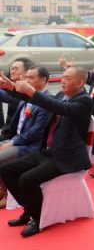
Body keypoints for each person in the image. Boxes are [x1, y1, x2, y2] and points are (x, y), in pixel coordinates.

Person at [0, 66, 92, 237]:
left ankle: (38, 218)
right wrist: (11, 88)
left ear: (80, 83)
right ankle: (29, 210)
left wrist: (33, 92)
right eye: (62, 77)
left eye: (68, 78)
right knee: (6, 170)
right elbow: (36, 102)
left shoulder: (84, 101)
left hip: (66, 157)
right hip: (49, 152)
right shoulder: (61, 96)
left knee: (27, 179)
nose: (63, 80)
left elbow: (58, 107)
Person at [0, 66, 52, 209]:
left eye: (30, 77)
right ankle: (3, 191)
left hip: (29, 146)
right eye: (26, 77)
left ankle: (7, 195)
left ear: (43, 80)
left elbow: (36, 132)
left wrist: (12, 143)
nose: (26, 80)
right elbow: (8, 96)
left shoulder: (46, 100)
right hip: (17, 139)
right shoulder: (26, 95)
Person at [0, 58, 33, 140]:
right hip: (7, 132)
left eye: (15, 69)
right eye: (11, 68)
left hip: (18, 137)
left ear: (27, 72)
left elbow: (9, 97)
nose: (12, 71)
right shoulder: (15, 86)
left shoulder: (28, 90)